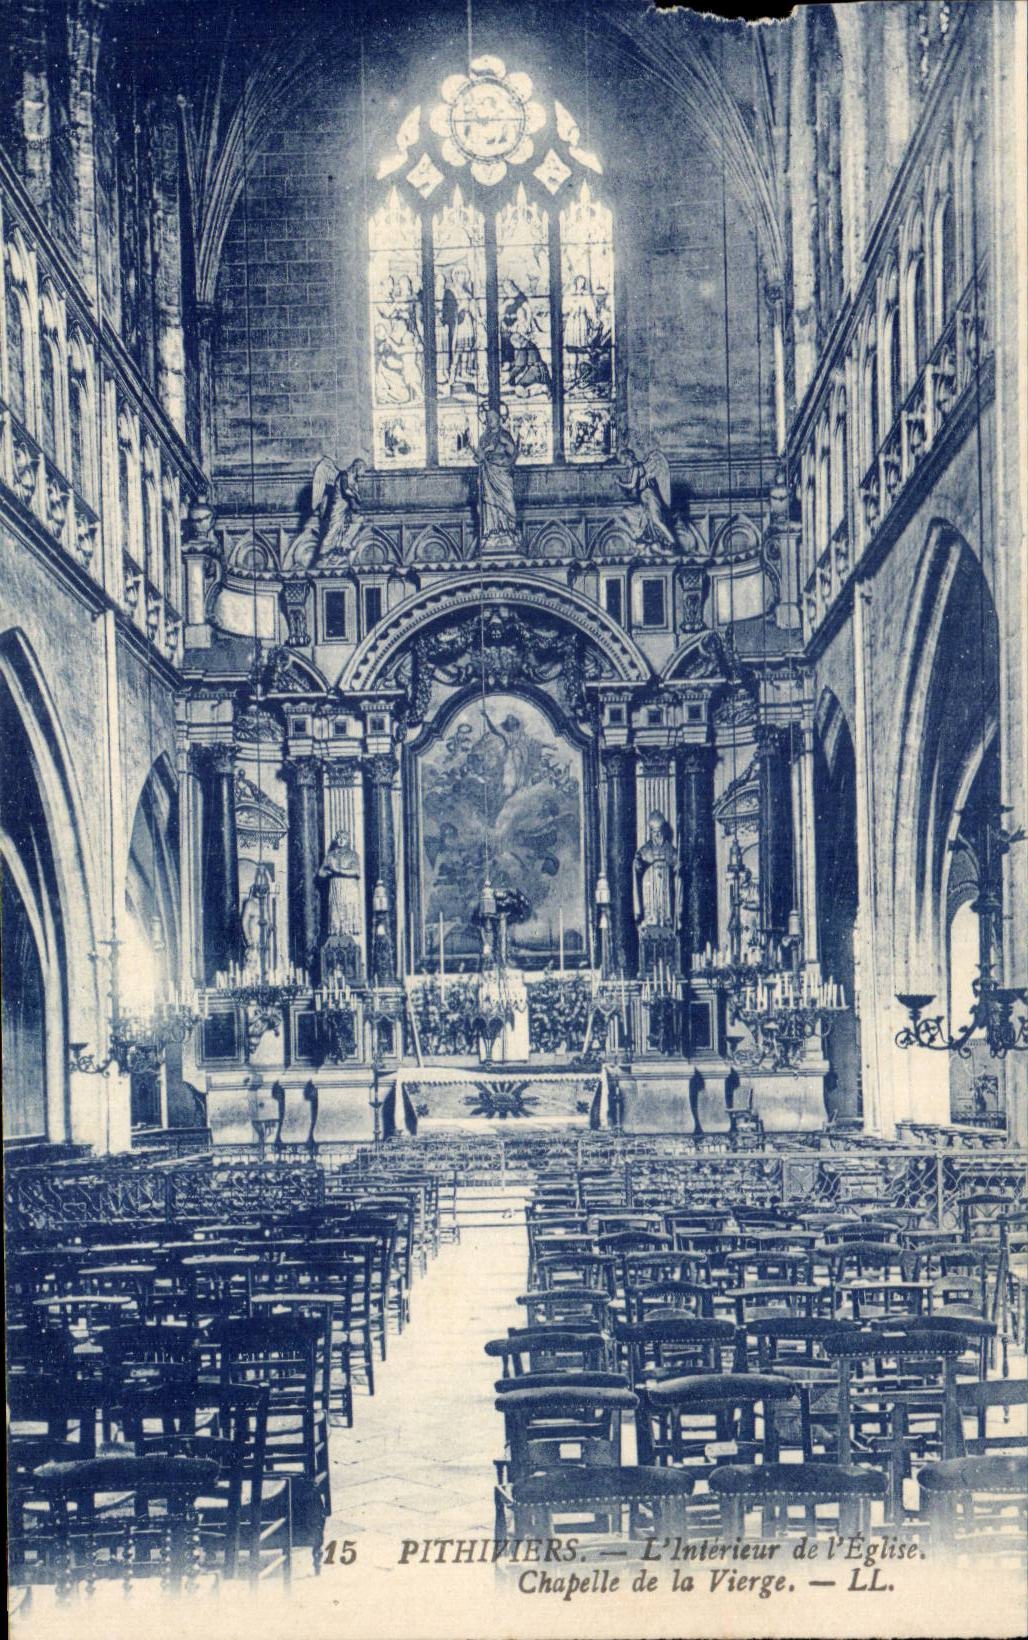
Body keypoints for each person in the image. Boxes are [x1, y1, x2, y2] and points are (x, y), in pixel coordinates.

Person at [473, 409, 519, 543]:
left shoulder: (505, 434)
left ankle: (509, 528)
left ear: (499, 419)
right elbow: (477, 458)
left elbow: (513, 453)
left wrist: (506, 443)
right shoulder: (484, 437)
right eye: (488, 418)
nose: (489, 420)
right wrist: (482, 454)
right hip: (488, 473)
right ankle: (492, 530)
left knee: (508, 498)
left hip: (502, 473)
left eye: (492, 417)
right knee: (490, 501)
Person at [318, 830, 362, 942]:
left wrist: (338, 870)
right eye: (339, 838)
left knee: (347, 909)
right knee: (335, 910)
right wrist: (329, 872)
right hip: (336, 886)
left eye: (344, 838)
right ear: (336, 839)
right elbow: (320, 873)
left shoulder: (353, 855)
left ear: (348, 840)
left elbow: (356, 871)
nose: (341, 840)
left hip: (348, 888)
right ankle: (336, 933)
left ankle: (347, 933)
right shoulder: (330, 855)